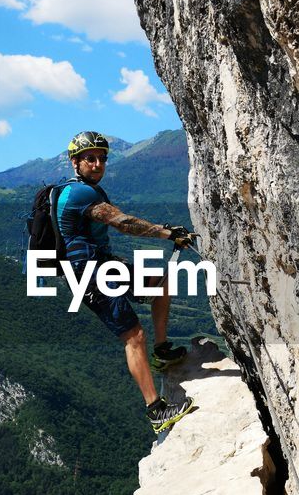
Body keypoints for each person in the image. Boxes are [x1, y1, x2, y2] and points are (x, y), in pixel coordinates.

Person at [56, 130, 197, 435]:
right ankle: (156, 410)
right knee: (133, 336)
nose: (97, 164)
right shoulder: (80, 194)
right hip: (89, 275)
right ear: (75, 162)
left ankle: (162, 352)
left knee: (161, 283)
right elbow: (122, 223)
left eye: (101, 159)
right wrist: (167, 233)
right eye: (89, 159)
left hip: (103, 265)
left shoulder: (81, 189)